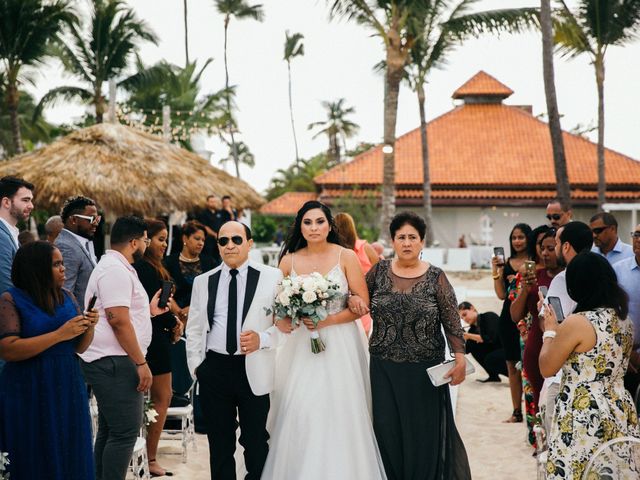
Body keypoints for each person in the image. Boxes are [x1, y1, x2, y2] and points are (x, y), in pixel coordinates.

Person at [262, 201, 386, 480]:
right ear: (300, 226)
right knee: (301, 405)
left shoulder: (345, 256)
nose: (314, 227)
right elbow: (275, 306)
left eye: (319, 222)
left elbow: (363, 304)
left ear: (330, 225)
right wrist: (285, 318)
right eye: (308, 222)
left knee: (341, 405)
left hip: (340, 342)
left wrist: (327, 320)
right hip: (300, 346)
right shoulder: (288, 261)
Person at [366, 211, 471, 480]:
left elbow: (452, 321)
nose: (407, 243)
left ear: (422, 242)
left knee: (422, 436)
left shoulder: (436, 277)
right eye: (401, 237)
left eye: (413, 237)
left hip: (424, 372)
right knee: (387, 431)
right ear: (392, 240)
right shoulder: (377, 272)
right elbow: (357, 302)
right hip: (384, 368)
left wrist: (459, 358)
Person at [186, 221, 282, 480]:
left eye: (236, 240)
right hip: (214, 370)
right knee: (219, 443)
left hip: (253, 366)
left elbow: (285, 326)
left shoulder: (271, 277)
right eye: (223, 241)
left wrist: (261, 339)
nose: (230, 245)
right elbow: (194, 328)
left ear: (249, 244)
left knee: (255, 442)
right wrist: (197, 367)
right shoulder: (203, 282)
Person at [79, 216, 167, 480]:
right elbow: (118, 320)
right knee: (125, 433)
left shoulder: (118, 267)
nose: (147, 244)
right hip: (115, 362)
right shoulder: (114, 270)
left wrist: (148, 313)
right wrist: (141, 363)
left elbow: (120, 314)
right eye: (145, 239)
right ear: (133, 242)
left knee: (110, 432)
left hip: (115, 359)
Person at [0, 241, 98, 479]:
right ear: (37, 268)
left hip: (67, 384)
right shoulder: (10, 300)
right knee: (34, 451)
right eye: (56, 264)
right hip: (28, 386)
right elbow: (8, 349)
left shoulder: (67, 296)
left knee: (70, 449)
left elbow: (80, 348)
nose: (63, 269)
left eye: (62, 263)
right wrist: (59, 334)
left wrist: (89, 327)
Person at [540, 252, 640, 479]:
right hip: (619, 408)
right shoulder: (624, 319)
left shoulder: (578, 322)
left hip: (583, 413)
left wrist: (550, 330)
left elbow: (546, 367)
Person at [133, 219, 184, 477]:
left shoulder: (153, 267)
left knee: (159, 399)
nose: (164, 244)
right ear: (146, 239)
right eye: (159, 238)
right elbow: (150, 308)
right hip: (153, 339)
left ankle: (148, 454)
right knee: (161, 399)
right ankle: (151, 458)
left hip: (157, 337)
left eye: (166, 239)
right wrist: (174, 322)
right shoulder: (144, 269)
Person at [537, 222, 593, 435]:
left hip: (563, 376)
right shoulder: (602, 274)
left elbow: (552, 327)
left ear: (567, 246)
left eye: (558, 243)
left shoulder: (563, 279)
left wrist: (546, 320)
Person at [511, 227, 562, 418]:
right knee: (539, 401)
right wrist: (525, 288)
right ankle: (540, 444)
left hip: (563, 344)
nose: (546, 253)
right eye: (543, 249)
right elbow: (516, 315)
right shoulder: (534, 275)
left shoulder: (568, 277)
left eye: (551, 248)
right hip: (536, 346)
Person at [492, 223, 531, 423]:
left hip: (529, 317)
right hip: (507, 319)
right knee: (511, 366)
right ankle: (517, 411)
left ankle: (533, 410)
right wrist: (497, 271)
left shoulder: (534, 262)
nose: (517, 241)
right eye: (514, 237)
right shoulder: (505, 263)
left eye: (521, 237)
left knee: (530, 365)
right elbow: (500, 294)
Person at [164, 221, 218, 325]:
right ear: (185, 238)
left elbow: (215, 291)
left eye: (203, 240)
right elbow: (165, 291)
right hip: (174, 319)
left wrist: (193, 309)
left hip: (203, 318)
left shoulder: (210, 263)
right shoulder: (168, 262)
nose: (201, 243)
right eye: (197, 239)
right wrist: (179, 314)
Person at [334, 212, 379, 334]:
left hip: (341, 301)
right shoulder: (366, 248)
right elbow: (379, 273)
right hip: (361, 300)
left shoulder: (335, 252)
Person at [55, 196, 100, 310]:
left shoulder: (83, 243)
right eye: (91, 219)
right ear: (74, 220)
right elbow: (64, 292)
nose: (95, 223)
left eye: (97, 218)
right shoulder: (66, 247)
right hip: (77, 321)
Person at [613, 224, 640, 395]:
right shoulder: (618, 271)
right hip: (626, 356)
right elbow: (611, 312)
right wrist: (626, 353)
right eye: (636, 234)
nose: (638, 239)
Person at [0, 176, 34, 294]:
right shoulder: (1, 236)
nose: (31, 206)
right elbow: (5, 285)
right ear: (6, 202)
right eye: (25, 200)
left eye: (31, 200)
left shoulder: (10, 233)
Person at [458, 301, 506, 383]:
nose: (465, 319)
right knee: (473, 346)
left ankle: (516, 376)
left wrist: (468, 335)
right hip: (495, 352)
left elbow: (491, 338)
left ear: (472, 308)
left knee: (490, 359)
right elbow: (466, 350)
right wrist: (460, 338)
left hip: (506, 349)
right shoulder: (472, 330)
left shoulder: (489, 316)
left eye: (465, 314)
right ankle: (493, 376)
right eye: (462, 318)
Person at [197, 194, 223, 259]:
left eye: (214, 202)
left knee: (217, 258)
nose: (213, 203)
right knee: (208, 258)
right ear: (207, 202)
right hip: (208, 241)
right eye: (211, 202)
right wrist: (215, 234)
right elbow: (205, 227)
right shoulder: (203, 213)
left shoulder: (219, 213)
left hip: (218, 240)